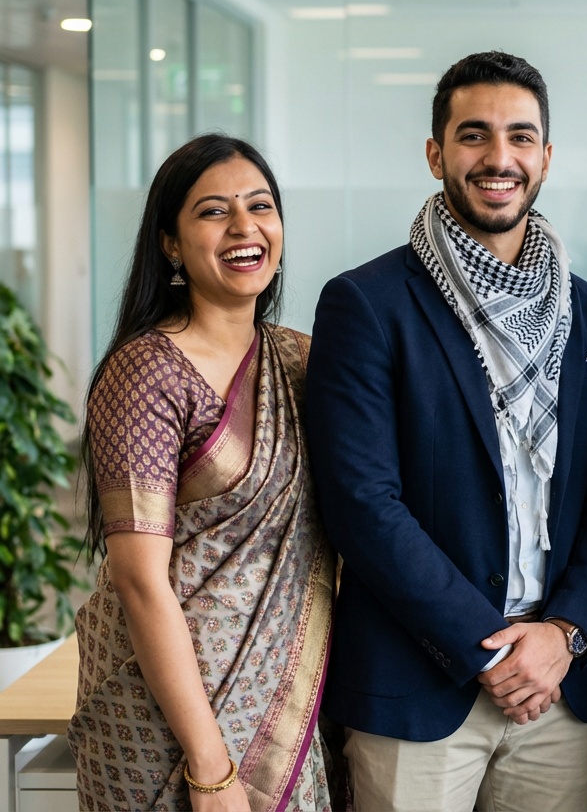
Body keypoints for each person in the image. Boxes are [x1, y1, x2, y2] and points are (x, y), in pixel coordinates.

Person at [305, 50, 587, 812]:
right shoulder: (367, 303)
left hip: (555, 685)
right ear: (436, 153)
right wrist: (486, 648)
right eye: (474, 135)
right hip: (420, 687)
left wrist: (564, 635)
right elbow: (363, 504)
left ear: (546, 158)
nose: (499, 158)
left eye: (521, 137)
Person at [69, 134, 336, 811]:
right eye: (215, 212)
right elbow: (137, 577)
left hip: (283, 699)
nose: (245, 228)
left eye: (261, 206)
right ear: (170, 243)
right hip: (162, 720)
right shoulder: (147, 371)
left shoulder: (303, 360)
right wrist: (210, 768)